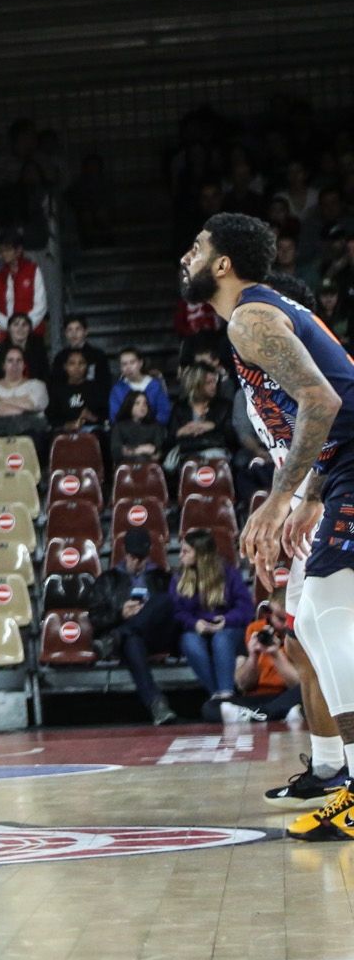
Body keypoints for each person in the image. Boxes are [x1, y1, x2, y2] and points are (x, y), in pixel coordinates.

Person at [182, 212, 354, 841]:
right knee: (310, 619)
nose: (186, 257)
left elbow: (327, 400)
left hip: (350, 465)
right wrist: (307, 492)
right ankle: (344, 776)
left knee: (331, 620)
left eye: (196, 248)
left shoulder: (253, 318)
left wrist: (281, 499)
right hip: (336, 472)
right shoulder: (254, 317)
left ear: (222, 264)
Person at [89, 526, 179, 725]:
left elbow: (174, 612)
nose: (137, 562)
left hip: (156, 635)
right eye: (133, 557)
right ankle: (157, 704)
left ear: (147, 554)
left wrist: (147, 612)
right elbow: (96, 617)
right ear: (126, 553)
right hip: (130, 642)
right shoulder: (107, 580)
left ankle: (116, 637)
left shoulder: (162, 578)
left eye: (141, 557)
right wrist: (120, 613)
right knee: (132, 642)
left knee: (165, 599)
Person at [171, 528, 251, 704]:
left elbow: (245, 608)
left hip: (227, 626)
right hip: (196, 628)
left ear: (200, 554)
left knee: (221, 639)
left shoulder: (229, 573)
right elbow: (177, 612)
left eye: (186, 551)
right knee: (189, 642)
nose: (180, 556)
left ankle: (226, 694)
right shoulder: (179, 578)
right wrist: (194, 623)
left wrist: (226, 620)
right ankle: (218, 697)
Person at [0, 347, 49, 442]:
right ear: (4, 365)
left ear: (24, 365)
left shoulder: (37, 385)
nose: (15, 364)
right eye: (10, 360)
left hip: (32, 435)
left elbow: (35, 405)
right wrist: (24, 405)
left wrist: (1, 401)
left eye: (19, 360)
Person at [107, 348, 171, 422]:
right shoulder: (117, 389)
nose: (128, 367)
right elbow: (114, 416)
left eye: (132, 363)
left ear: (140, 363)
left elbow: (164, 412)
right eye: (124, 364)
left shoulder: (155, 386)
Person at [112, 390, 167, 462]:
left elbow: (158, 448)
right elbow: (116, 450)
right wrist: (139, 450)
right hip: (127, 464)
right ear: (130, 406)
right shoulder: (119, 426)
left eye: (145, 403)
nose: (142, 407)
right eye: (137, 403)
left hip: (149, 464)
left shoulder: (155, 426)